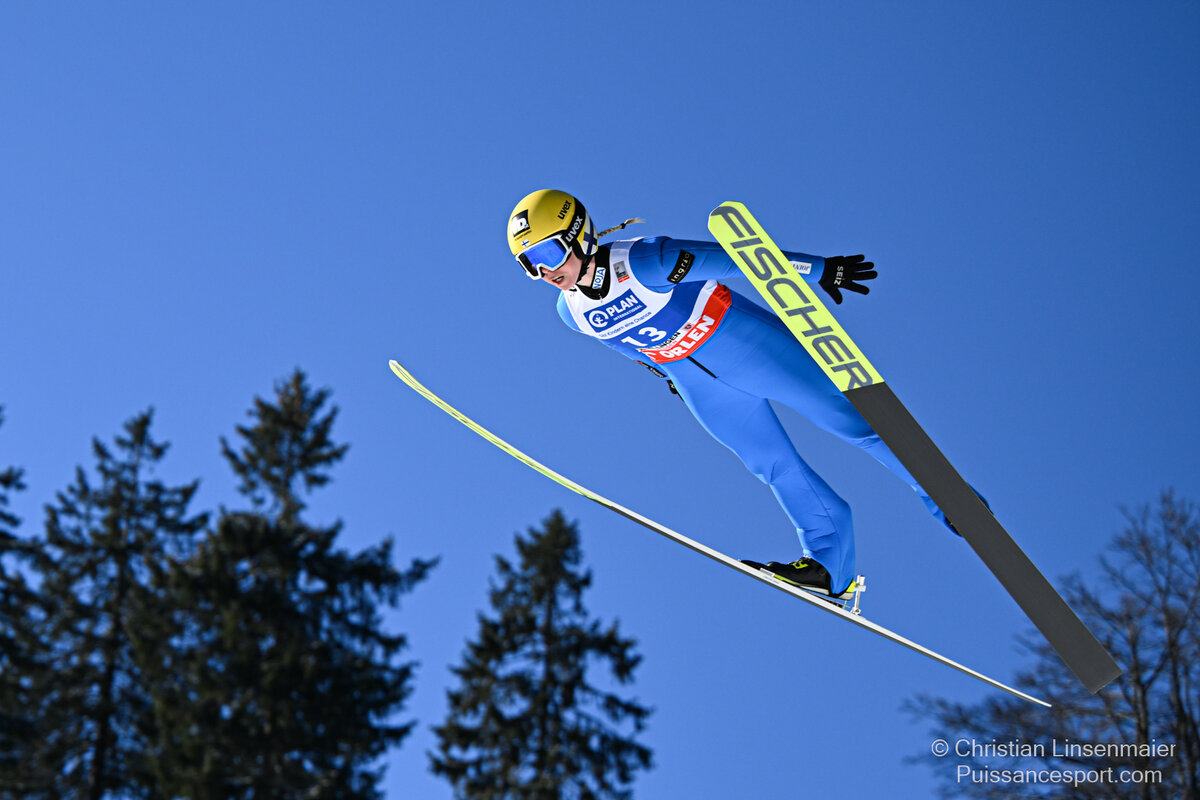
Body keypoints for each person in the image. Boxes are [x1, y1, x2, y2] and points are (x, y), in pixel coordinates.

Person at [507, 189, 958, 598]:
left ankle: (947, 498)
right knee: (772, 465)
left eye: (548, 253)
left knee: (852, 422)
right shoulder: (572, 314)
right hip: (702, 386)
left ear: (580, 234)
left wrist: (822, 270)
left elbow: (739, 260)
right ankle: (830, 565)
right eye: (530, 264)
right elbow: (629, 346)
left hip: (749, 346)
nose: (545, 271)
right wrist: (667, 377)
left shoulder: (646, 261)